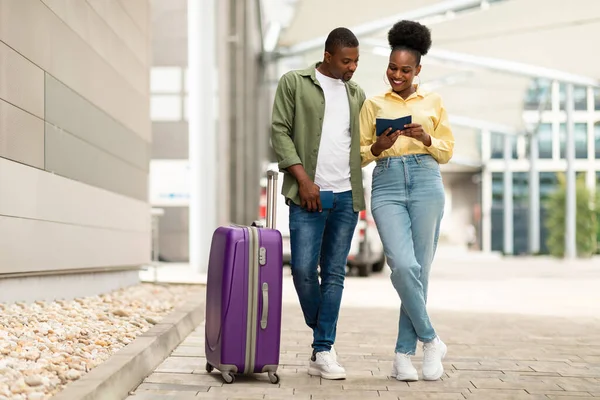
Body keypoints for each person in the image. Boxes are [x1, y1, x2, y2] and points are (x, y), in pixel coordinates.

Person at [359, 20, 455, 382]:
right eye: (392, 68)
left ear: (417, 70)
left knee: (420, 270)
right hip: (386, 183)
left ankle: (403, 355)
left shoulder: (433, 101)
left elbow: (447, 150)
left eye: (404, 70)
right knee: (402, 265)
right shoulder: (373, 103)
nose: (396, 75)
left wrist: (427, 139)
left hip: (425, 178)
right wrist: (378, 146)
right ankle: (431, 340)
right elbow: (359, 153)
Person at [270, 27, 366, 380]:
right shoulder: (294, 82)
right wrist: (305, 182)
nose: (352, 67)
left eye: (356, 61)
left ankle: (323, 349)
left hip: (346, 195)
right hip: (308, 193)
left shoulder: (356, 93)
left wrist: (381, 145)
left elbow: (357, 145)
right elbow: (279, 131)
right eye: (346, 61)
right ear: (328, 56)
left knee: (335, 273)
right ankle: (322, 334)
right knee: (304, 271)